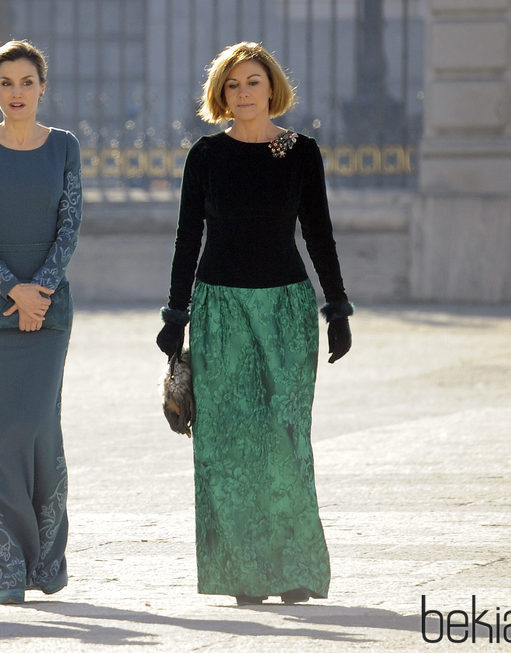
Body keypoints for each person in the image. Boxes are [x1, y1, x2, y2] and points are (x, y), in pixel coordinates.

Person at [156, 42, 353, 606]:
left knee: (287, 440)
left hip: (288, 310)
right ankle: (244, 574)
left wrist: (336, 307)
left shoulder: (300, 152)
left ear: (272, 89)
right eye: (233, 85)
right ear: (220, 95)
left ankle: (293, 570)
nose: (243, 93)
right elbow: (186, 238)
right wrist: (176, 315)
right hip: (219, 311)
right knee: (226, 445)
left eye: (253, 83)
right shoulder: (206, 156)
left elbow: (319, 232)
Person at [0, 39, 81, 604]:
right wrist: (13, 289)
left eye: (26, 82)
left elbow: (70, 225)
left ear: (42, 86)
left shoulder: (66, 147)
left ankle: (47, 563)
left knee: (38, 433)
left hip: (50, 308)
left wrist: (40, 292)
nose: (16, 93)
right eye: (6, 83)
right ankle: (7, 569)